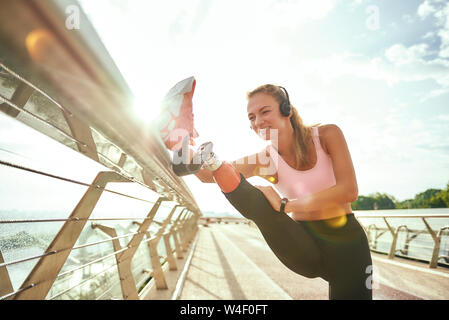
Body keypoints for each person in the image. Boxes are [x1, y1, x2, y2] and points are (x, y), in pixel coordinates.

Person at [180, 84, 373, 300]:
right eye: (251, 117)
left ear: (286, 110)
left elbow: (348, 191)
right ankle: (184, 139)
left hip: (347, 242)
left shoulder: (327, 135)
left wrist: (286, 204)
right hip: (302, 241)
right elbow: (208, 176)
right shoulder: (265, 159)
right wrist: (185, 143)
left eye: (265, 111)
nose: (258, 122)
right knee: (261, 203)